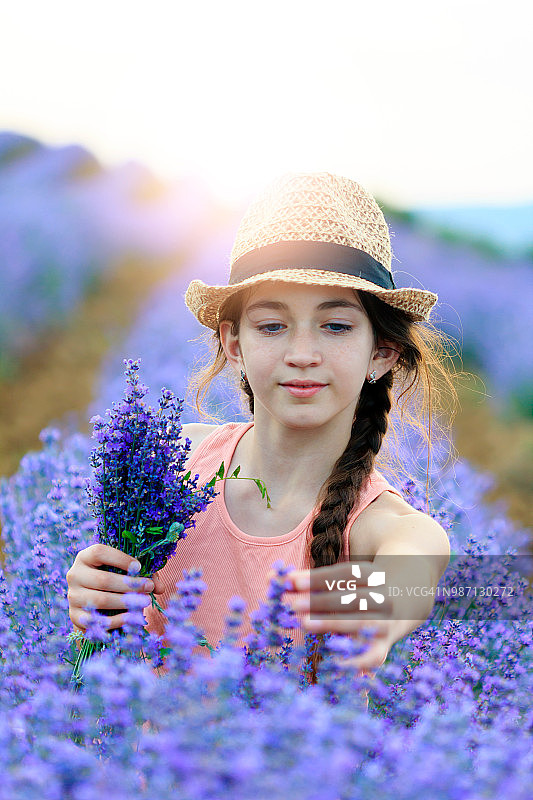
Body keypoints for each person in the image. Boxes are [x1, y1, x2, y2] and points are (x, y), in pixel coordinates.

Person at [67, 172, 452, 685]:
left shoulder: (382, 526)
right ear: (233, 343)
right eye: (272, 325)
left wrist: (383, 600)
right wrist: (92, 586)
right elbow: (106, 603)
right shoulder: (173, 464)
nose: (302, 355)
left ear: (381, 352)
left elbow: (421, 570)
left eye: (336, 326)